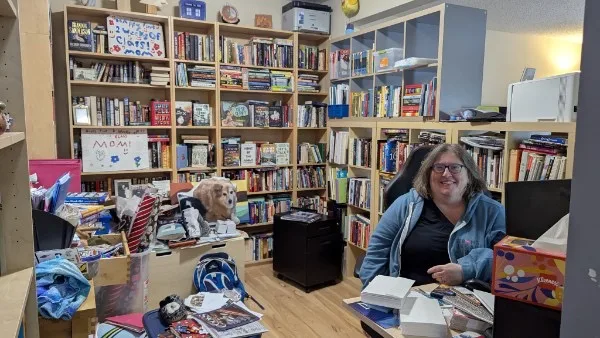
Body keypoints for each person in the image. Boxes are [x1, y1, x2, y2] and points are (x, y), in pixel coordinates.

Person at [360, 144, 506, 288]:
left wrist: (465, 270)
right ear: (428, 174)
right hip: (406, 299)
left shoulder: (493, 212)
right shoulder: (406, 204)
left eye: (455, 167)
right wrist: (377, 297)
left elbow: (506, 262)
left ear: (469, 174)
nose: (446, 174)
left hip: (464, 303)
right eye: (439, 167)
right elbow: (376, 254)